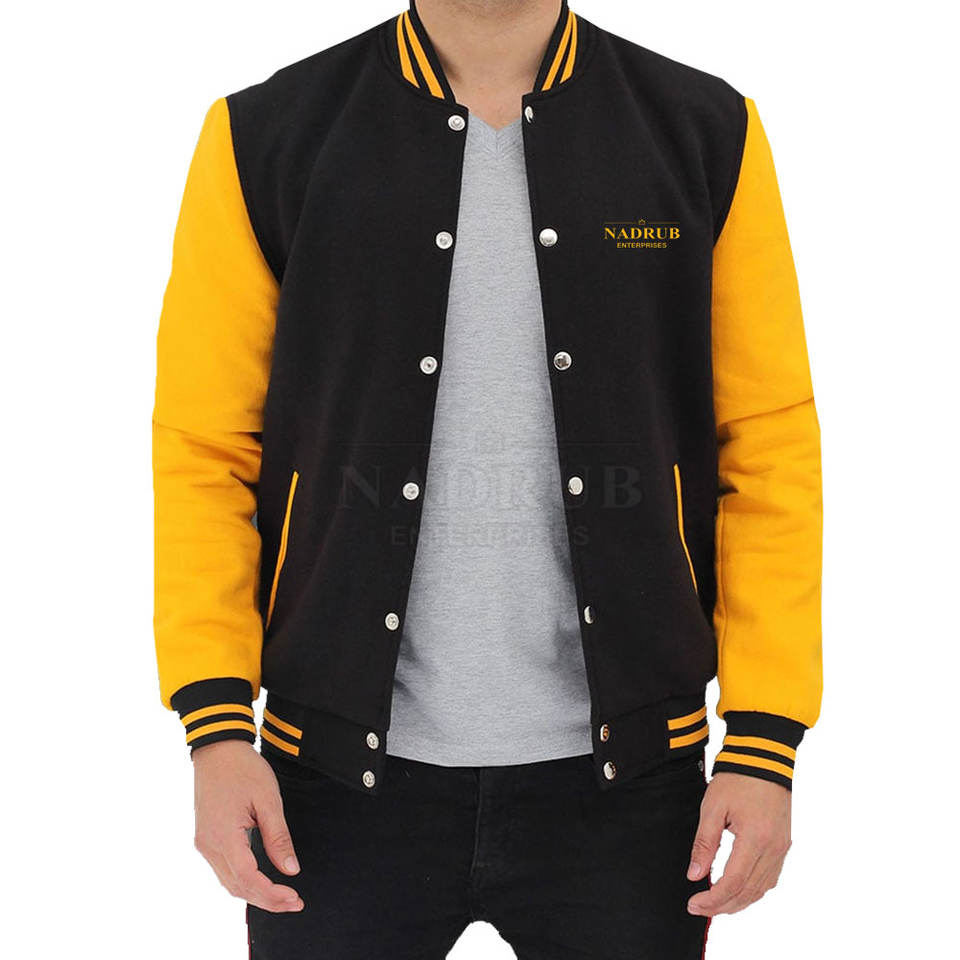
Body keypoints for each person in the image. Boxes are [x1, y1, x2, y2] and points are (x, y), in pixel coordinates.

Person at [152, 2, 822, 957]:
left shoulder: (704, 131)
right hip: (329, 782)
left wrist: (765, 740)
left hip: (634, 789)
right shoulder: (266, 136)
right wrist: (216, 728)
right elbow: (205, 449)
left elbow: (768, 447)